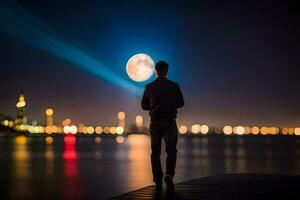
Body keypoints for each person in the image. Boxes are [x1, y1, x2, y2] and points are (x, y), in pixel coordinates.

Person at [141, 61, 184, 191]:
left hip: (155, 122)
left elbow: (144, 106)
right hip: (170, 121)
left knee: (155, 152)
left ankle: (157, 180)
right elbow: (181, 103)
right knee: (171, 150)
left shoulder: (149, 86)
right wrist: (170, 104)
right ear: (166, 71)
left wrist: (154, 105)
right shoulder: (174, 86)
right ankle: (169, 174)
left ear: (156, 71)